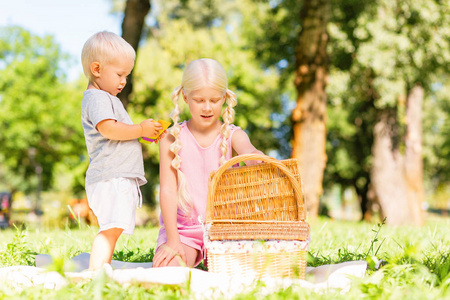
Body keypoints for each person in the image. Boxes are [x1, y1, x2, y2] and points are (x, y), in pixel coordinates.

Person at [152, 58, 263, 268]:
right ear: (185, 97)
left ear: (224, 98)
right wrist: (173, 240)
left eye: (214, 100)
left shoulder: (233, 136)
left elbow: (251, 153)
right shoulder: (170, 138)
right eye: (199, 100)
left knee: (244, 273)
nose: (207, 107)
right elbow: (167, 190)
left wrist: (261, 159)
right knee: (167, 271)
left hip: (227, 231)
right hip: (184, 233)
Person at [80, 31, 164, 271]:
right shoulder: (97, 98)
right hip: (110, 177)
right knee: (110, 229)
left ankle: (101, 267)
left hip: (114, 176)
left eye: (126, 75)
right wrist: (139, 128)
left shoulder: (107, 99)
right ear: (97, 69)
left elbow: (119, 133)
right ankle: (96, 272)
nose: (123, 81)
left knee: (112, 228)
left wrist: (143, 134)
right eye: (119, 74)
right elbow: (108, 129)